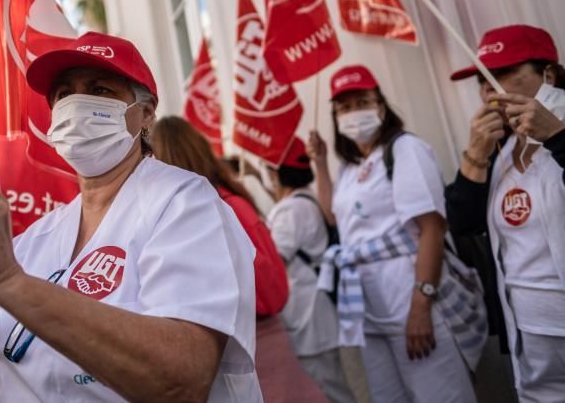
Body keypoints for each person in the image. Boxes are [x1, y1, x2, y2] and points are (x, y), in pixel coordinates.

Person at [0, 32, 261, 402]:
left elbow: (181, 380)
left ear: (145, 114)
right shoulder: (38, 236)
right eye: (64, 95)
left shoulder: (185, 203)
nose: (76, 106)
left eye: (99, 90)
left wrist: (9, 281)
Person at [307, 64, 486, 403]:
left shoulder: (404, 150)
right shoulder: (350, 166)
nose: (353, 113)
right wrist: (319, 164)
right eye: (344, 108)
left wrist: (421, 306)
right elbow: (334, 217)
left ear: (380, 104)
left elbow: (431, 228)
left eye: (361, 102)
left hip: (412, 304)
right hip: (372, 314)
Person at [151, 115, 327, 403]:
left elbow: (268, 291)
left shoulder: (217, 209)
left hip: (252, 350)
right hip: (245, 349)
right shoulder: (219, 204)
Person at [444, 24, 565, 402]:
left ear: (549, 74)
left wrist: (559, 137)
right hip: (527, 326)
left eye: (506, 74)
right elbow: (464, 224)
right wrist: (475, 157)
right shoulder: (501, 148)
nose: (492, 90)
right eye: (484, 80)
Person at [265, 138, 354, 403]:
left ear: (277, 174)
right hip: (315, 315)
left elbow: (274, 261)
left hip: (308, 319)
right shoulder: (306, 200)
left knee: (329, 391)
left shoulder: (290, 210)